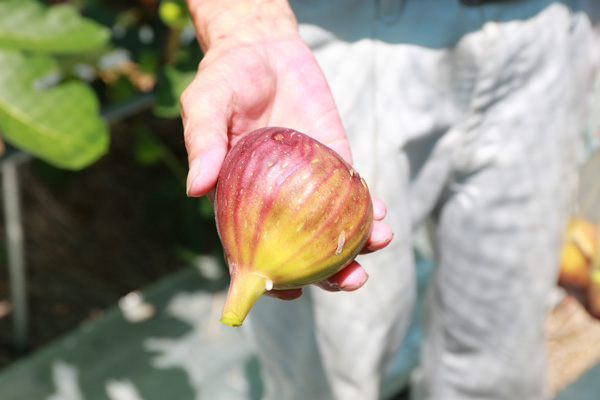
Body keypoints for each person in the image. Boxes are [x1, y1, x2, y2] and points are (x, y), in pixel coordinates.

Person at [180, 0, 600, 399]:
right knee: (328, 368)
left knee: (500, 360)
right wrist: (246, 25)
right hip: (341, 30)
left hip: (547, 32)